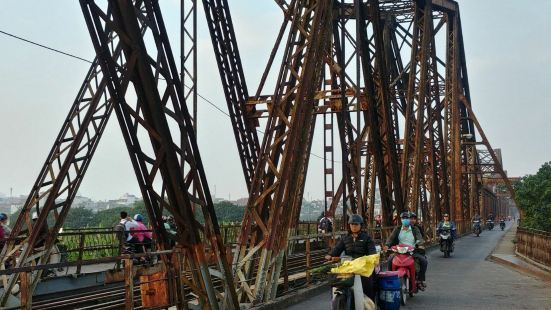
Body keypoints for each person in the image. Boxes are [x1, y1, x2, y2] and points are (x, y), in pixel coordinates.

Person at [325, 214, 377, 301]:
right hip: (349, 265)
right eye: (352, 224)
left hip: (363, 266)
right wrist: (330, 255)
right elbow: (337, 249)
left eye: (356, 224)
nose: (354, 226)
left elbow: (372, 252)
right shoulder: (345, 238)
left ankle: (370, 303)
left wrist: (372, 258)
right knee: (336, 281)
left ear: (361, 225)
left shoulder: (367, 238)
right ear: (349, 226)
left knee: (368, 285)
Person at [385, 211, 428, 290]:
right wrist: (387, 245)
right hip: (398, 251)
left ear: (409, 219)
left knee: (424, 261)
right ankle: (390, 279)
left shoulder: (415, 229)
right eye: (403, 218)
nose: (405, 220)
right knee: (390, 260)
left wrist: (420, 244)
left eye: (407, 218)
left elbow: (420, 238)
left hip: (412, 251)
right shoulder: (397, 229)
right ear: (401, 220)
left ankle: (420, 280)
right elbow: (390, 238)